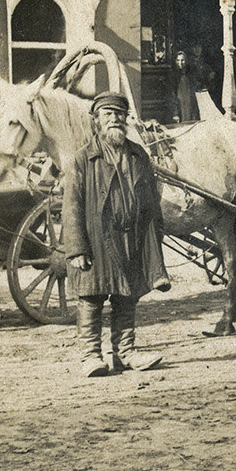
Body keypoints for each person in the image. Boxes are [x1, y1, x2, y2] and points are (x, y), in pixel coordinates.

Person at [59, 92, 171, 377]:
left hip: (130, 237)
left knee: (127, 295)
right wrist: (76, 248)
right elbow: (71, 206)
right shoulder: (83, 159)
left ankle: (125, 352)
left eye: (119, 114)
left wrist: (154, 240)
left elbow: (151, 203)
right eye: (107, 115)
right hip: (96, 239)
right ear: (96, 122)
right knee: (91, 297)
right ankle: (90, 356)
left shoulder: (138, 155)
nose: (114, 120)